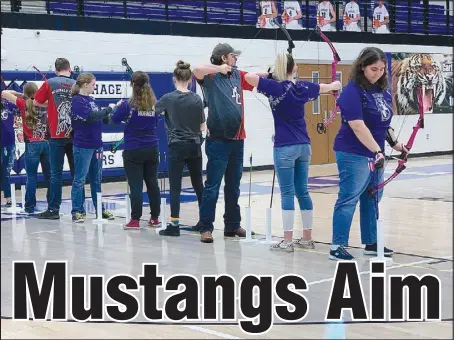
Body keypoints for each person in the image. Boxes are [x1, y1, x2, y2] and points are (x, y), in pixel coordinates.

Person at [244, 51, 341, 252]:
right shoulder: (303, 87)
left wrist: (271, 74)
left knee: (288, 192)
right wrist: (335, 86)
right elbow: (326, 87)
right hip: (304, 146)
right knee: (302, 191)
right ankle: (307, 237)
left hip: (284, 146)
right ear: (294, 68)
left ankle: (287, 240)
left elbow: (248, 77)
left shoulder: (274, 86)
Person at [329, 47, 407, 260]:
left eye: (382, 69)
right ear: (362, 66)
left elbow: (383, 123)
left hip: (375, 154)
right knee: (349, 198)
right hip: (353, 153)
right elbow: (357, 125)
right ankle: (337, 246)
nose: (378, 73)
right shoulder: (352, 91)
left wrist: (396, 144)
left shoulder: (381, 90)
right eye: (374, 69)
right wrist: (377, 151)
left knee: (372, 198)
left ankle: (371, 242)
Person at [193, 43, 267, 243]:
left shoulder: (236, 75)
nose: (236, 59)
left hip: (237, 139)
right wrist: (218, 68)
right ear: (224, 58)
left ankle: (232, 225)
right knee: (213, 186)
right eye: (233, 56)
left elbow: (254, 75)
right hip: (218, 139)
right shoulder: (210, 77)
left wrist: (272, 72)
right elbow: (196, 70)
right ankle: (206, 227)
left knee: (233, 186)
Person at [154, 60, 205, 237]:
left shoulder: (168, 98)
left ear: (174, 78)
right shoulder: (197, 98)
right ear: (190, 79)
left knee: (175, 186)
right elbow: (202, 126)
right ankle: (204, 222)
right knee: (199, 185)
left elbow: (153, 111)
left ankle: (174, 225)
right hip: (195, 146)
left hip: (177, 146)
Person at [111, 71, 161, 229]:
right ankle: (154, 218)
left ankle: (135, 220)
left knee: (136, 186)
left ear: (132, 84)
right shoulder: (155, 104)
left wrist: (115, 108)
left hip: (133, 149)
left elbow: (113, 120)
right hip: (152, 147)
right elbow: (155, 121)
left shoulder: (127, 105)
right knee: (152, 184)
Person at [33, 58, 77, 219]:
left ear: (56, 69)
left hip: (56, 135)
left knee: (56, 174)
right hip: (74, 133)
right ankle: (78, 209)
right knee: (77, 174)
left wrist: (50, 104)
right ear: (69, 68)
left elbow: (37, 102)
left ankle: (53, 210)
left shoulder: (50, 82)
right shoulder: (76, 83)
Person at [70, 73, 115, 223]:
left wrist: (118, 113)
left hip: (97, 144)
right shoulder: (77, 101)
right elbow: (90, 117)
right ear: (85, 84)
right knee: (80, 179)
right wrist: (109, 109)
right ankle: (77, 211)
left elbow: (102, 117)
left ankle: (99, 210)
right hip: (83, 145)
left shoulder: (92, 100)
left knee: (97, 179)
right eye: (93, 84)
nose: (94, 87)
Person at [1, 83, 50, 214]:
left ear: (25, 94)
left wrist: (20, 95)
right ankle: (52, 205)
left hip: (33, 144)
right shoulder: (45, 104)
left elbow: (4, 94)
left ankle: (29, 206)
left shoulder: (24, 104)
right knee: (50, 177)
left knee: (31, 177)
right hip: (47, 143)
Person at [1, 97, 20, 208]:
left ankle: (8, 198)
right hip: (6, 142)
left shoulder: (8, 104)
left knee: (6, 171)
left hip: (9, 142)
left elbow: (21, 106)